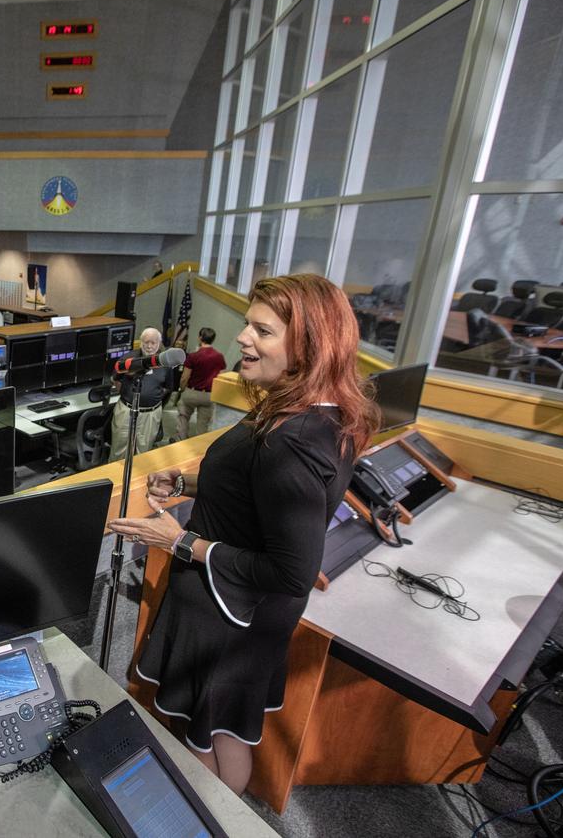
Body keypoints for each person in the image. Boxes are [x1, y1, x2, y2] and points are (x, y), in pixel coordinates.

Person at [108, 275, 381, 796]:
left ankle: (210, 819)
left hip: (229, 615)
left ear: (310, 344)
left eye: (263, 330)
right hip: (239, 611)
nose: (242, 337)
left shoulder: (292, 442)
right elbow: (257, 489)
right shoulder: (312, 411)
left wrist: (178, 541)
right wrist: (188, 483)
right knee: (224, 731)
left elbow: (292, 572)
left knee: (204, 743)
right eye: (247, 324)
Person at [109, 327, 170, 460]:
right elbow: (116, 380)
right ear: (140, 342)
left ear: (159, 343)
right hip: (126, 411)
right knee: (119, 450)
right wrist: (127, 395)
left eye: (153, 342)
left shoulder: (165, 362)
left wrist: (151, 399)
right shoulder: (128, 359)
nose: (149, 346)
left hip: (151, 414)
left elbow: (167, 388)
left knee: (143, 452)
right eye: (146, 342)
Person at [175, 327, 228, 440]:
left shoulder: (193, 356)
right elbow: (222, 376)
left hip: (192, 392)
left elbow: (185, 377)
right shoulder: (219, 357)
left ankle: (181, 440)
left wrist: (182, 389)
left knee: (183, 417)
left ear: (200, 338)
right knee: (203, 425)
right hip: (208, 395)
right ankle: (198, 445)